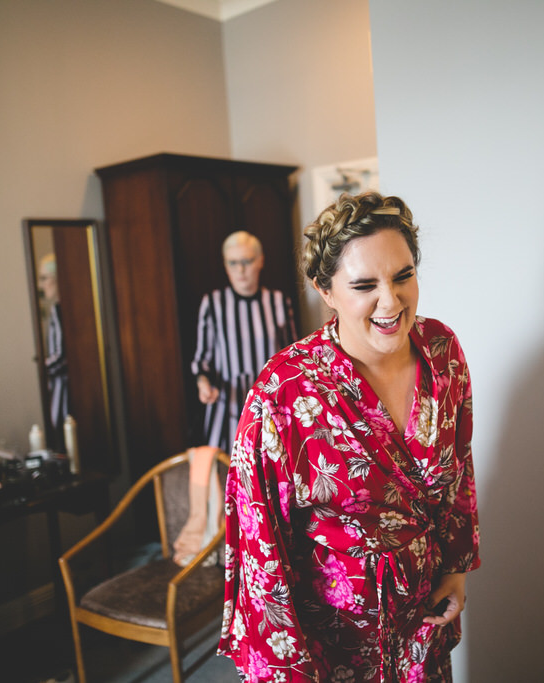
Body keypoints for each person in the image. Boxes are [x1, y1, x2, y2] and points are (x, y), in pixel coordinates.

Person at [218, 192, 480, 682]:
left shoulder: (442, 351)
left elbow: (458, 471)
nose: (391, 301)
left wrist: (455, 567)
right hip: (333, 645)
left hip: (422, 625)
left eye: (404, 276)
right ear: (326, 290)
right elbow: (260, 549)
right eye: (365, 285)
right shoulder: (284, 393)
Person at [191, 231, 298, 454]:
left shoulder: (277, 301)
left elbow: (292, 356)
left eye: (247, 261)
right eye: (233, 263)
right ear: (225, 264)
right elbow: (202, 361)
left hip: (270, 405)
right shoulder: (213, 303)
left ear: (260, 261)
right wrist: (203, 385)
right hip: (227, 408)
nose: (240, 270)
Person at [39, 253, 68, 444]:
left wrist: (41, 368)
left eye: (44, 278)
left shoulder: (59, 310)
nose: (41, 285)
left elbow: (62, 355)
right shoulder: (56, 309)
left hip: (63, 390)